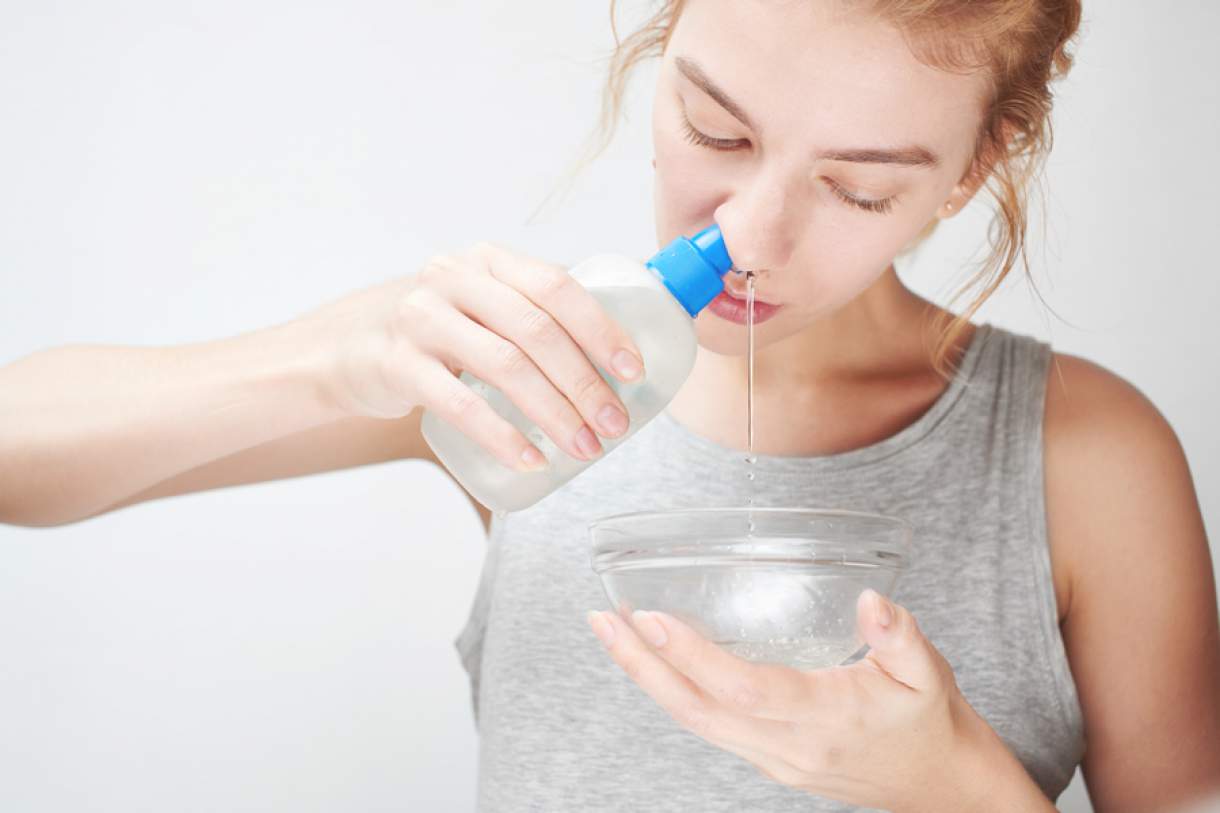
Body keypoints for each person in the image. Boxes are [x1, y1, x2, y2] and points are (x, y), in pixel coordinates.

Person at [1, 0, 1217, 810]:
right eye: (714, 129)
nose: (746, 238)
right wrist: (329, 357)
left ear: (972, 168)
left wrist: (955, 786)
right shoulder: (529, 366)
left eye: (855, 190)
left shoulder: (1082, 458)